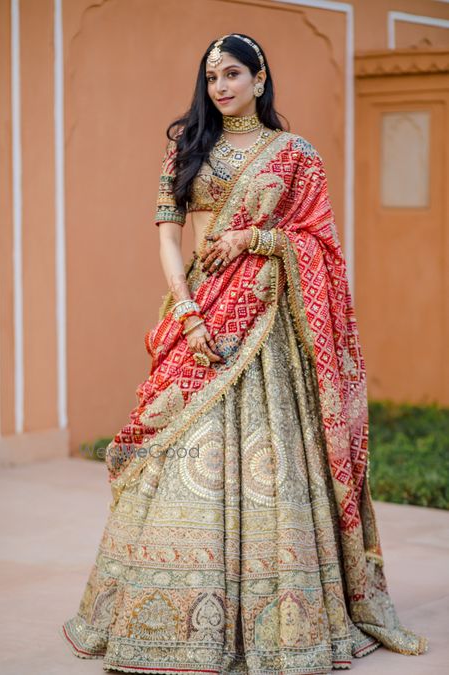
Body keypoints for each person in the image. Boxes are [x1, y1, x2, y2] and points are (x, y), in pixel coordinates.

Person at [60, 33, 428, 674]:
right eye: (211, 79)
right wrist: (185, 308)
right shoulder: (186, 148)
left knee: (276, 464)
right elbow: (168, 234)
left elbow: (320, 247)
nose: (221, 87)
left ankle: (281, 620)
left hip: (269, 330)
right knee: (176, 463)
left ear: (260, 79)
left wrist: (260, 237)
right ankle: (166, 619)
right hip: (200, 320)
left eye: (233, 74)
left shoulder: (296, 156)